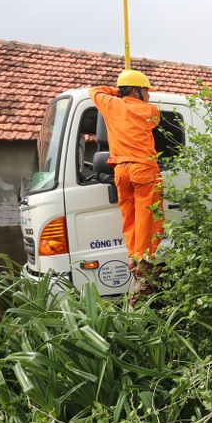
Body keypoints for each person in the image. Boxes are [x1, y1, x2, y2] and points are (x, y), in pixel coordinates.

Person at [88, 70, 163, 278]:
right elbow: (154, 123)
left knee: (128, 215)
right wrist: (125, 94)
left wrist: (117, 93)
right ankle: (144, 259)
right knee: (148, 216)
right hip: (143, 169)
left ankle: (132, 256)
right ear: (136, 90)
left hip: (121, 171)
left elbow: (93, 90)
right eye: (146, 90)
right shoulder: (151, 111)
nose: (149, 95)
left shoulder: (109, 105)